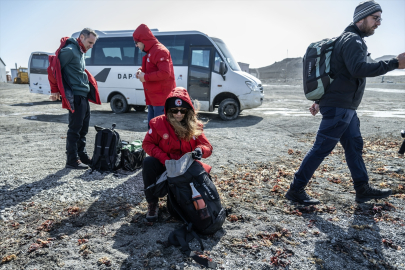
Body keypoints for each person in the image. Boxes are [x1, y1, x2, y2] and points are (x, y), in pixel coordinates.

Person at [285, 0, 405, 205]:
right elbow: (359, 69)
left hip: (344, 107)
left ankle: (362, 188)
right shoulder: (353, 40)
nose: (379, 23)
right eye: (375, 18)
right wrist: (395, 63)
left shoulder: (349, 39)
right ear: (361, 18)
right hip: (341, 107)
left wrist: (321, 101)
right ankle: (296, 189)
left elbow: (337, 75)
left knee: (354, 146)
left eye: (380, 19)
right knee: (321, 147)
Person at [142, 87, 213, 221]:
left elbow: (207, 146)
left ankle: (196, 202)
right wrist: (164, 158)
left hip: (185, 167)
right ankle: (152, 203)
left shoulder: (195, 125)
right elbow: (147, 144)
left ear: (189, 111)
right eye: (174, 111)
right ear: (168, 110)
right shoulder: (158, 123)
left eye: (183, 111)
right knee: (148, 162)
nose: (178, 114)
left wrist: (200, 150)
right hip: (166, 163)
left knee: (177, 211)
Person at [48, 28, 101, 169]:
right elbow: (53, 68)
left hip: (83, 96)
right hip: (75, 95)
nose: (91, 46)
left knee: (83, 129)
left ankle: (82, 156)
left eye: (93, 43)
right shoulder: (70, 50)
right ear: (82, 37)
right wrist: (54, 90)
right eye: (90, 42)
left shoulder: (80, 52)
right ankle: (72, 160)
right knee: (74, 129)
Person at [132, 24, 176, 127]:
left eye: (136, 42)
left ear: (143, 40)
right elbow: (151, 67)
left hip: (161, 100)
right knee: (153, 129)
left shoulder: (159, 51)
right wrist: (140, 70)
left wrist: (145, 77)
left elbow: (165, 73)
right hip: (154, 98)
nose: (136, 45)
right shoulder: (151, 51)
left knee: (159, 130)